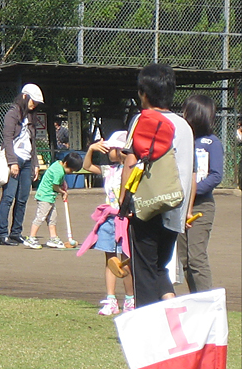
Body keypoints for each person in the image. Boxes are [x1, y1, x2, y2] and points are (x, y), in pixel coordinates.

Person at [120, 64, 194, 308]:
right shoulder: (185, 126)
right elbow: (190, 172)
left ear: (144, 93)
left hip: (147, 207)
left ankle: (149, 332)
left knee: (143, 271)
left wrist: (123, 203)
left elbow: (131, 162)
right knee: (159, 267)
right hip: (175, 208)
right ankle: (172, 320)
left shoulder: (144, 120)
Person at [78, 131, 134, 315]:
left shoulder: (134, 169)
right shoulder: (109, 170)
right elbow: (86, 166)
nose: (107, 151)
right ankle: (111, 300)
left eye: (110, 148)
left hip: (126, 219)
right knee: (110, 259)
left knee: (126, 261)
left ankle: (130, 300)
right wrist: (91, 149)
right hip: (109, 219)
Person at [177, 95, 223, 293]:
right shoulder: (181, 140)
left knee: (196, 257)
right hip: (179, 205)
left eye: (186, 110)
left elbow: (216, 176)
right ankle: (194, 299)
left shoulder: (211, 143)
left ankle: (206, 303)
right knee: (183, 259)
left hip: (201, 207)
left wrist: (193, 192)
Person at [0, 83, 43, 246]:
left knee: (22, 198)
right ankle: (2, 234)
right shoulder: (12, 114)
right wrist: (12, 162)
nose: (34, 104)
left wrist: (35, 163)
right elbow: (7, 139)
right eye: (33, 101)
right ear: (25, 96)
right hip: (14, 160)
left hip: (27, 160)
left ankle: (16, 232)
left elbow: (32, 142)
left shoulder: (30, 116)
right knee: (8, 197)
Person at [24, 152, 83, 250]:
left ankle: (53, 238)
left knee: (52, 218)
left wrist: (63, 183)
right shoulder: (58, 171)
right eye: (71, 170)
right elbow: (55, 186)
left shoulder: (59, 165)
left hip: (50, 197)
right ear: (66, 163)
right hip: (45, 197)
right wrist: (63, 192)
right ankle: (31, 238)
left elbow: (59, 180)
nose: (70, 172)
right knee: (40, 217)